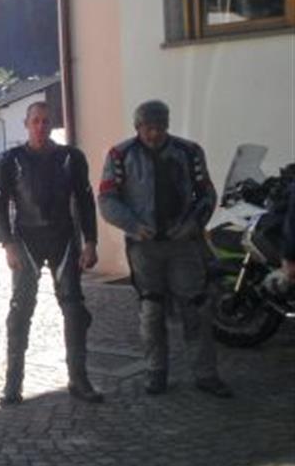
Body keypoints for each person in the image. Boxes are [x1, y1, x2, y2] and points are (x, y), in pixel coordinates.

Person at [98, 99, 232, 398]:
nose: (154, 133)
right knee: (152, 310)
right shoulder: (120, 155)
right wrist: (132, 225)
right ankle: (155, 371)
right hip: (143, 246)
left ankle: (206, 374)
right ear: (137, 127)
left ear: (167, 125)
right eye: (148, 128)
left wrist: (193, 225)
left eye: (159, 127)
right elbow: (106, 198)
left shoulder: (189, 152)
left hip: (183, 243)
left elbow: (206, 194)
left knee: (196, 307)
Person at [0, 102, 103, 407]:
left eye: (45, 121)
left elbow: (85, 200)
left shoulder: (71, 157)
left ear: (52, 125)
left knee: (74, 310)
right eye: (35, 121)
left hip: (63, 239)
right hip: (26, 240)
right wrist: (7, 244)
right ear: (26, 124)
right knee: (20, 311)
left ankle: (79, 379)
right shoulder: (10, 160)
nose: (41, 126)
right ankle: (13, 384)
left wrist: (91, 242)